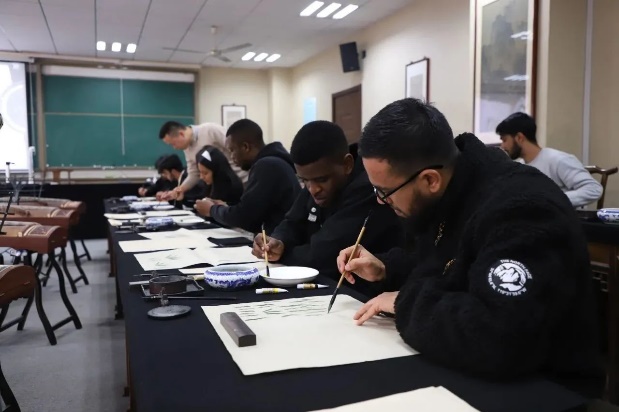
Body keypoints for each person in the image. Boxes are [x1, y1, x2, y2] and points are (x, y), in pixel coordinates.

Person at [336, 99, 603, 397]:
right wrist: (387, 269)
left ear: (429, 180)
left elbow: (499, 336)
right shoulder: (451, 190)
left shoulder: (522, 209)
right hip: (478, 371)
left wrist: (404, 303)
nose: (380, 200)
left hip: (546, 388)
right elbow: (443, 264)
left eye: (385, 191)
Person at [253, 121, 404, 296]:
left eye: (321, 180)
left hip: (362, 294)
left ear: (347, 164)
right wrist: (277, 242)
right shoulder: (317, 177)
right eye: (304, 180)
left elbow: (322, 256)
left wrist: (283, 252)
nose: (312, 189)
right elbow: (292, 222)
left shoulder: (368, 187)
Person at [195, 119, 300, 233]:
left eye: (232, 150)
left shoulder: (266, 166)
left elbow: (245, 218)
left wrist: (212, 210)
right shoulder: (272, 162)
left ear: (245, 147)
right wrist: (226, 208)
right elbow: (253, 209)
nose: (231, 157)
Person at [496, 112, 602, 208]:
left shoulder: (558, 160)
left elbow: (593, 189)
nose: (502, 146)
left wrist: (550, 199)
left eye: (504, 140)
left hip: (559, 221)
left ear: (519, 137)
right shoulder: (518, 167)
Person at [158, 121, 248, 202]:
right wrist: (180, 189)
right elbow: (194, 173)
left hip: (244, 179)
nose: (174, 148)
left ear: (181, 134)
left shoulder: (210, 130)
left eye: (173, 144)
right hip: (224, 188)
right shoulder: (187, 149)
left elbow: (237, 147)